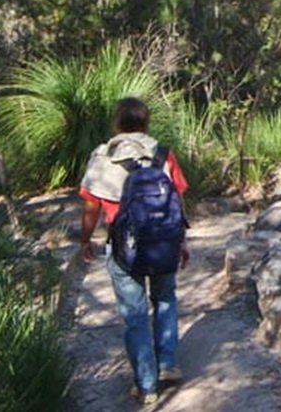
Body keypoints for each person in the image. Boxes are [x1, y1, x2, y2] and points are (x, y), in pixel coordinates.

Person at [78, 97, 190, 405]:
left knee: (135, 315)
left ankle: (146, 384)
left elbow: (91, 207)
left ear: (116, 122)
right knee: (165, 297)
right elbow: (177, 200)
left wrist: (85, 240)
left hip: (123, 247)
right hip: (165, 240)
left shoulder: (103, 156)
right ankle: (167, 364)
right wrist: (182, 240)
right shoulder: (163, 153)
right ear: (146, 122)